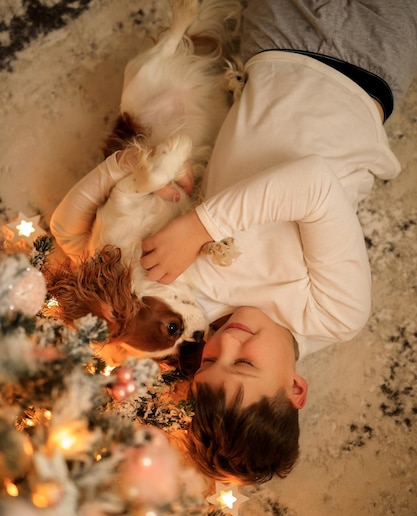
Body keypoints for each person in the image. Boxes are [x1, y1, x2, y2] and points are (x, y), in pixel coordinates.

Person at [50, 0, 417, 485]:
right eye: (242, 363)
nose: (224, 342)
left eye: (207, 362)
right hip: (361, 60)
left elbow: (85, 248)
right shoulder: (334, 313)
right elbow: (315, 184)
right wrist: (198, 228)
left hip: (272, 47)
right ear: (295, 388)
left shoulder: (199, 305)